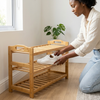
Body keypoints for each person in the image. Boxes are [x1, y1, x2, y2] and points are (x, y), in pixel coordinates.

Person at [54, 0, 100, 94]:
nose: (72, 10)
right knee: (81, 80)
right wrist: (63, 50)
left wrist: (66, 57)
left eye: (73, 6)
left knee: (85, 87)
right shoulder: (84, 19)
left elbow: (88, 45)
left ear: (83, 2)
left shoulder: (97, 17)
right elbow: (80, 39)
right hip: (96, 55)